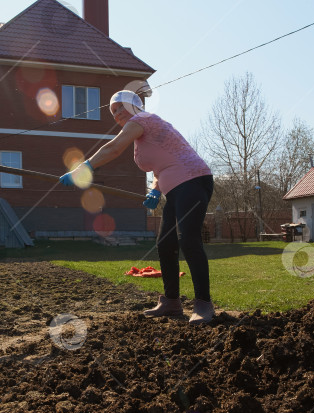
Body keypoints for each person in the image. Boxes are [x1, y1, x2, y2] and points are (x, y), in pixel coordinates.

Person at [59, 90, 215, 324]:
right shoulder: (143, 133)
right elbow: (160, 166)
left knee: (189, 240)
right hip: (175, 188)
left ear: (134, 106)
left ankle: (203, 303)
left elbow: (113, 148)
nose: (117, 114)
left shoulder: (142, 120)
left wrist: (83, 168)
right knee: (165, 242)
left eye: (120, 107)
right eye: (113, 111)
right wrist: (155, 189)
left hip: (193, 180)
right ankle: (171, 302)